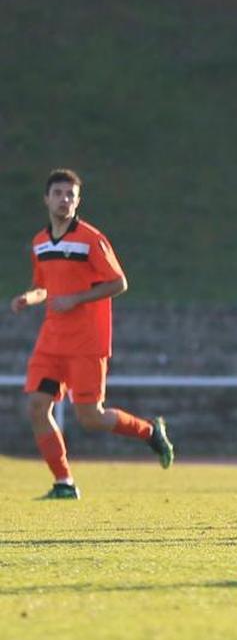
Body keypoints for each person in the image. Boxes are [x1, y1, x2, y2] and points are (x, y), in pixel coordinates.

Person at [10, 169, 174, 500]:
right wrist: (29, 297)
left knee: (90, 417)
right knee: (37, 407)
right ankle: (64, 483)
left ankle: (149, 432)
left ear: (78, 201)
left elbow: (119, 282)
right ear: (46, 199)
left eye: (70, 194)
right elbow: (44, 286)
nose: (64, 199)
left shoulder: (90, 238)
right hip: (51, 342)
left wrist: (77, 298)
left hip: (87, 342)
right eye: (58, 193)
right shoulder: (40, 243)